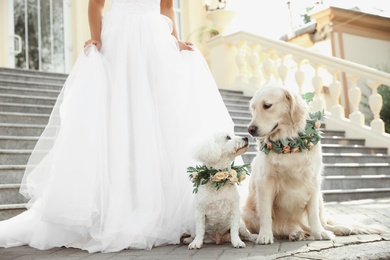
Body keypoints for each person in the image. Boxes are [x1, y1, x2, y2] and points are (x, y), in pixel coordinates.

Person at [0, 0, 234, 253]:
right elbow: (96, 4)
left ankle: (158, 209)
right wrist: (96, 39)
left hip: (155, 43)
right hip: (119, 39)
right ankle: (116, 209)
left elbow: (166, 7)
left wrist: (175, 40)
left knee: (158, 122)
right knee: (120, 118)